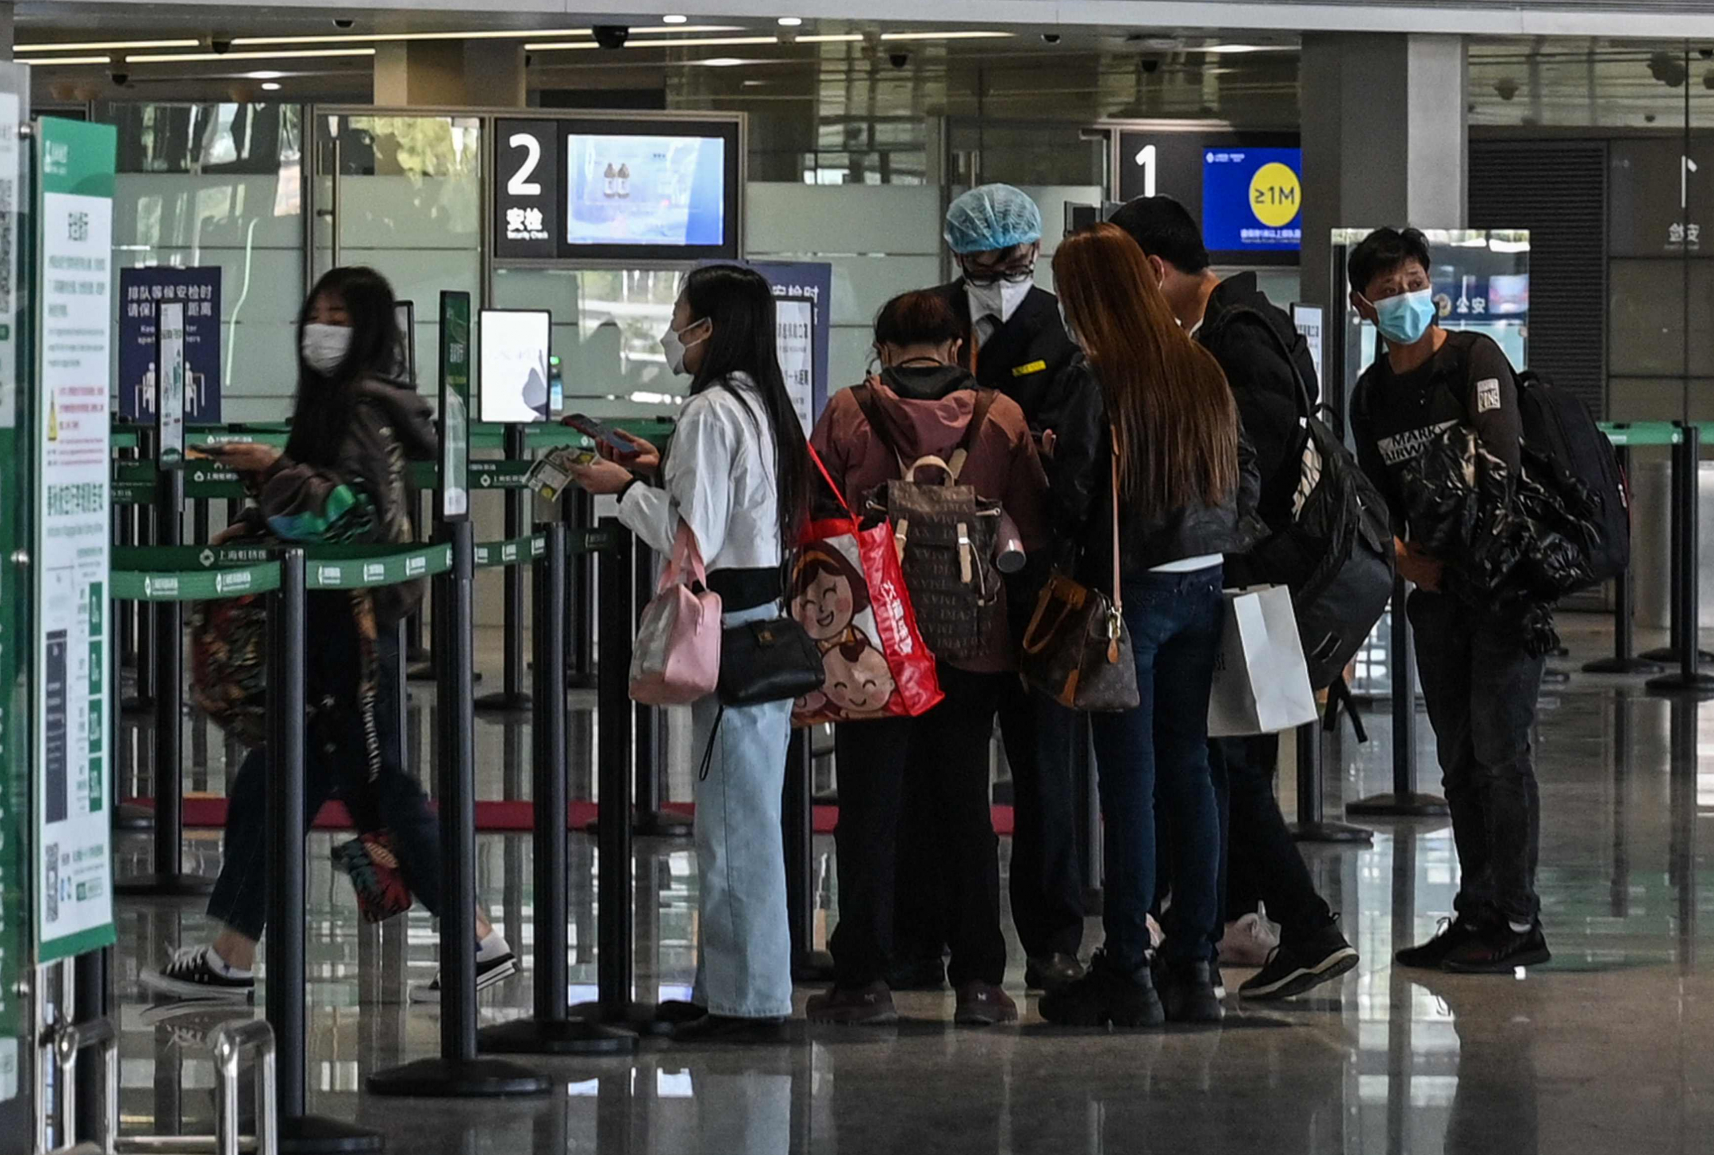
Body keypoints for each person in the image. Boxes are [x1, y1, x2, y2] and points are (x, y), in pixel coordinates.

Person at [145, 267, 513, 1001]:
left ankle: (475, 940)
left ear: (368, 328)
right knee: (273, 782)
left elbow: (353, 519)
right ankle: (232, 953)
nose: (322, 329)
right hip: (327, 623)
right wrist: (257, 514)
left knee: (378, 791)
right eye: (316, 313)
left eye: (340, 317)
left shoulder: (358, 409)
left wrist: (272, 469)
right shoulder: (344, 403)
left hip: (346, 634)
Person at [1107, 193, 1362, 1003]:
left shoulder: (1235, 338)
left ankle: (1305, 926)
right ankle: (1228, 923)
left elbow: (1247, 471)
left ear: (1153, 271)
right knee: (1224, 754)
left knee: (1227, 758)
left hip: (1249, 574)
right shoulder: (1250, 323)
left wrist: (1207, 542)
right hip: (1249, 570)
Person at [567, 265, 813, 1043]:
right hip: (760, 621)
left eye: (682, 317)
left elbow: (691, 539)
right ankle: (726, 989)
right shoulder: (759, 402)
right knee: (744, 817)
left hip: (729, 632)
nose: (674, 330)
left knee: (734, 828)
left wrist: (619, 491)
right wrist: (654, 469)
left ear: (712, 326)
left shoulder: (710, 410)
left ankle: (749, 1004)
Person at [805, 287, 1049, 1028]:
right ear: (956, 348)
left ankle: (864, 980)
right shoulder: (1001, 416)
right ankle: (980, 982)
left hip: (872, 647)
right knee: (966, 810)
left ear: (883, 349)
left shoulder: (849, 412)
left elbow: (814, 516)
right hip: (973, 642)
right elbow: (1033, 525)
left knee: (869, 810)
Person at [1037, 225, 1256, 1027]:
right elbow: (1245, 478)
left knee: (1128, 785)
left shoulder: (1100, 376)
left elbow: (1074, 500)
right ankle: (1194, 966)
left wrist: (1049, 463)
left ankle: (1126, 965)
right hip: (1204, 585)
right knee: (1189, 771)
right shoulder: (1200, 368)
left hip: (1129, 599)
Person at [1344, 226, 1551, 975]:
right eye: (1387, 289)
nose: (1405, 297)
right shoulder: (1371, 395)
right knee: (1460, 761)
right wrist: (1406, 561)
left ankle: (1517, 916)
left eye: (1414, 282)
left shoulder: (1473, 359)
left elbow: (1503, 463)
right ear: (1362, 305)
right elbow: (1375, 503)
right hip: (1435, 598)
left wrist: (1471, 561)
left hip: (1503, 589)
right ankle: (1479, 908)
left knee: (1501, 753)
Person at [928, 183, 1092, 990]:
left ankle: (1054, 938)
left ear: (1036, 249)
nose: (998, 274)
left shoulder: (1067, 328)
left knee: (1047, 773)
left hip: (1041, 583)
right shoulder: (933, 321)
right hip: (946, 580)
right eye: (981, 262)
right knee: (951, 775)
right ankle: (955, 938)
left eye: (1013, 258)